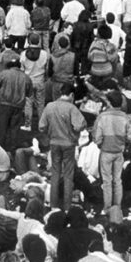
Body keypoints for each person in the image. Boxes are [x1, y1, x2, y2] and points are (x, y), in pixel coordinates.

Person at [38, 80, 86, 211]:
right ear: (71, 94)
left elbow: (41, 126)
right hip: (69, 145)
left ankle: (53, 206)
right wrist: (73, 131)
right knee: (68, 176)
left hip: (54, 143)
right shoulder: (72, 108)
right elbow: (80, 125)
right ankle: (67, 206)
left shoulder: (49, 107)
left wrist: (51, 132)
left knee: (55, 173)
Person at [92, 89, 131, 214]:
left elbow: (97, 136)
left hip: (106, 151)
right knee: (117, 180)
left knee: (107, 181)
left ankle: (107, 207)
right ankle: (118, 207)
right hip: (119, 152)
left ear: (109, 103)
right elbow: (130, 137)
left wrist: (100, 144)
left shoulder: (102, 117)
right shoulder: (125, 117)